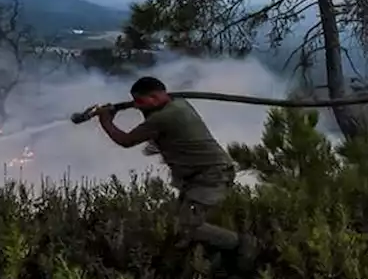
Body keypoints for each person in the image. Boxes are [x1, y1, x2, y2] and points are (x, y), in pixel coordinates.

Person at [86, 76, 258, 268]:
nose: (139, 107)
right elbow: (152, 121)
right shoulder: (178, 103)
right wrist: (135, 107)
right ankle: (197, 257)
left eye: (141, 102)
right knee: (179, 222)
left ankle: (240, 245)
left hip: (210, 176)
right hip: (199, 176)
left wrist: (105, 119)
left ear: (155, 96)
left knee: (188, 226)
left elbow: (126, 140)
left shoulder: (165, 117)